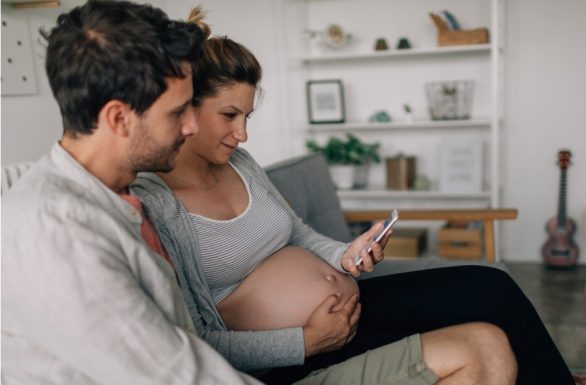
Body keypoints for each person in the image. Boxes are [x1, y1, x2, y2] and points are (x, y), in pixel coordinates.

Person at [2, 1, 515, 385]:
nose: (189, 130)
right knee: (482, 350)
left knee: (486, 328)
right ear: (118, 117)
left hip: (301, 337)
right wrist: (305, 343)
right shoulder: (60, 234)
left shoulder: (108, 197)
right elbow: (179, 372)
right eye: (179, 112)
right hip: (269, 363)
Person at [132, 8, 573, 385]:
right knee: (483, 333)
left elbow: (298, 235)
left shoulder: (240, 163)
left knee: (491, 286)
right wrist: (305, 341)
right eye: (229, 115)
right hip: (295, 354)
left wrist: (345, 255)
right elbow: (198, 338)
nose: (243, 133)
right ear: (186, 108)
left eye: (247, 116)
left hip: (351, 309)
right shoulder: (156, 202)